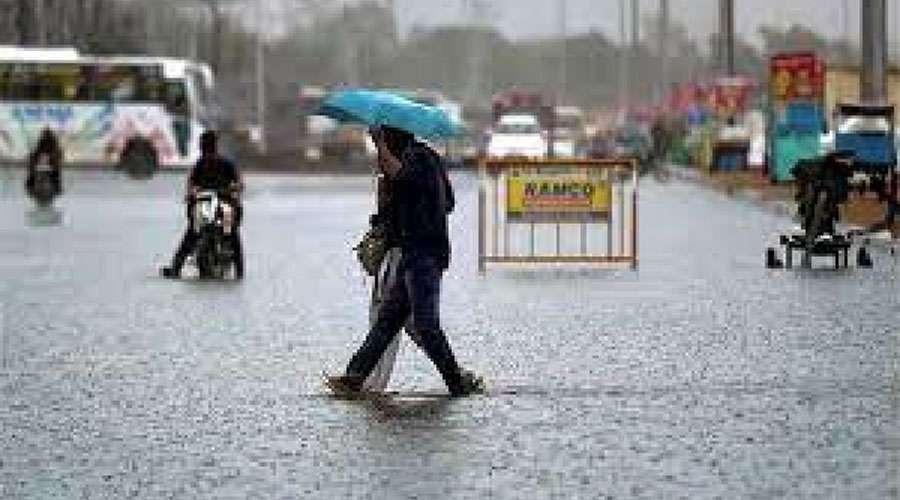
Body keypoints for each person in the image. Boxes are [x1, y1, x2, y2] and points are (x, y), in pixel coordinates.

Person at [327, 126, 482, 397]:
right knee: (387, 322)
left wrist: (379, 146)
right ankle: (354, 378)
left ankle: (456, 381)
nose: (382, 150)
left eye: (385, 139)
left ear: (393, 138)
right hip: (413, 253)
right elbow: (445, 202)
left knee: (426, 325)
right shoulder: (423, 159)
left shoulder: (418, 158)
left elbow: (405, 178)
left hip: (425, 254)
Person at [161, 130, 244, 279]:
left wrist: (233, 190)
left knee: (224, 233)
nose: (205, 149)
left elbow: (238, 183)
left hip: (222, 207)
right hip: (208, 207)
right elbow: (191, 185)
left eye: (205, 145)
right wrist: (192, 193)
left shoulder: (217, 164)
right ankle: (239, 270)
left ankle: (176, 268)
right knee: (197, 232)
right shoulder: (204, 165)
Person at [25, 128, 63, 196]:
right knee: (54, 172)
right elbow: (37, 151)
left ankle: (56, 184)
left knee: (55, 171)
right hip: (45, 162)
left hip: (50, 163)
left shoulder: (51, 143)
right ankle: (31, 181)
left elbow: (57, 153)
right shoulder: (45, 142)